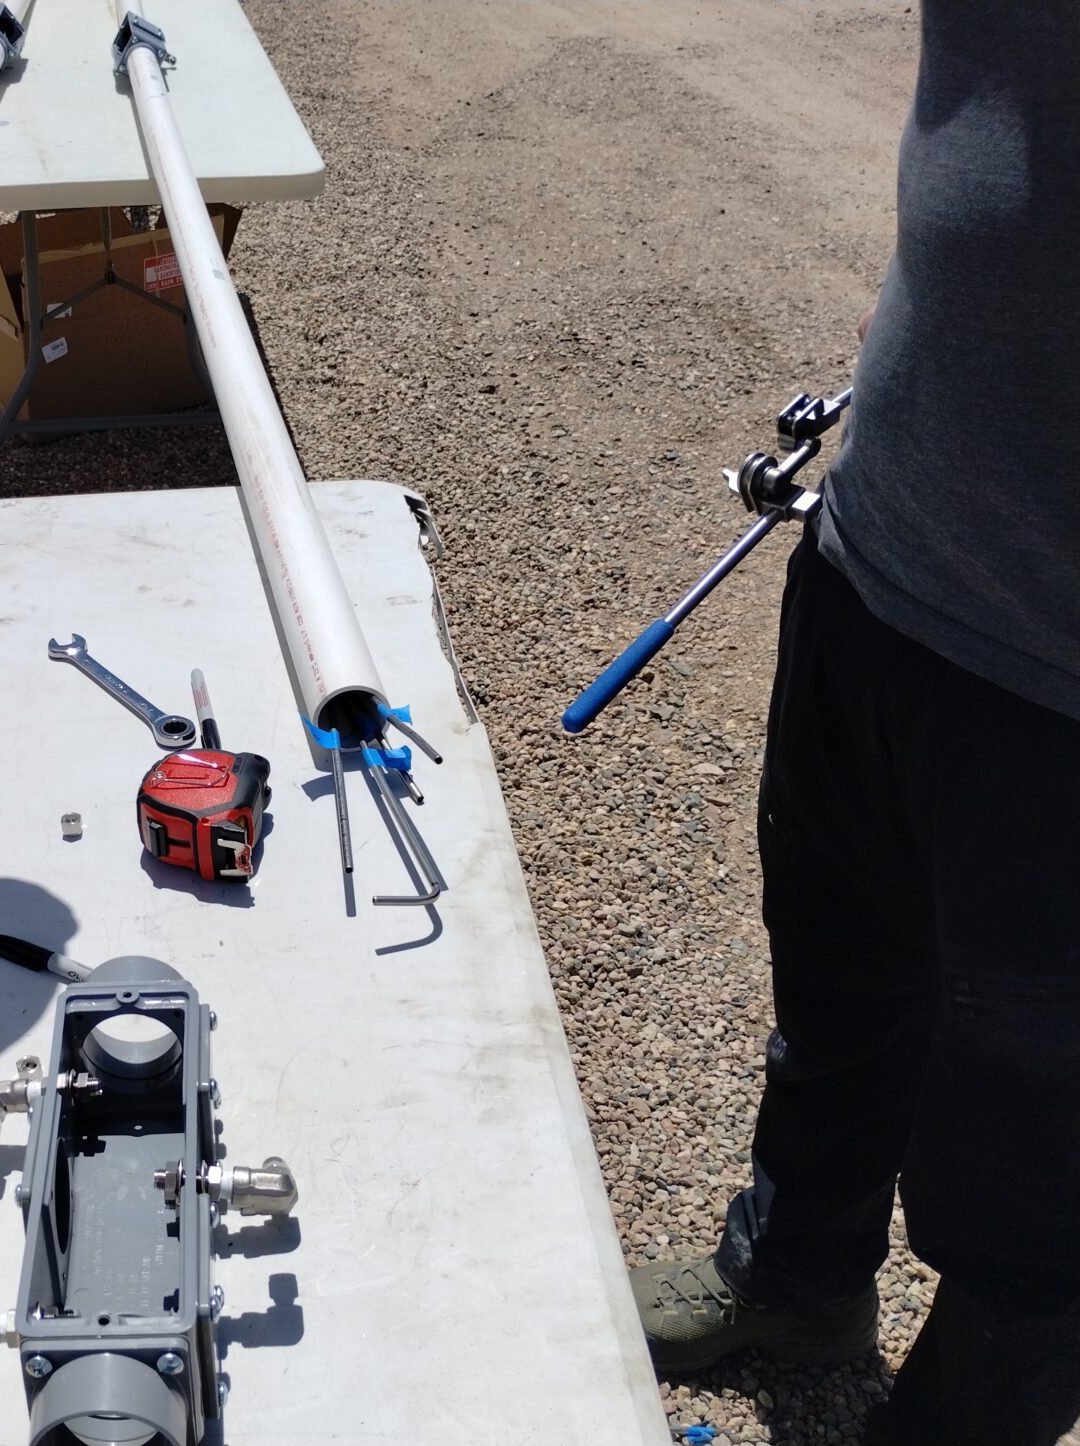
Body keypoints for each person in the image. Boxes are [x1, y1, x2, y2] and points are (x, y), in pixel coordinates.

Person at [628, 7, 1080, 1445]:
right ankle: (799, 1273)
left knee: (1038, 1166)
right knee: (840, 978)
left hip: (1058, 689)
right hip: (881, 547)